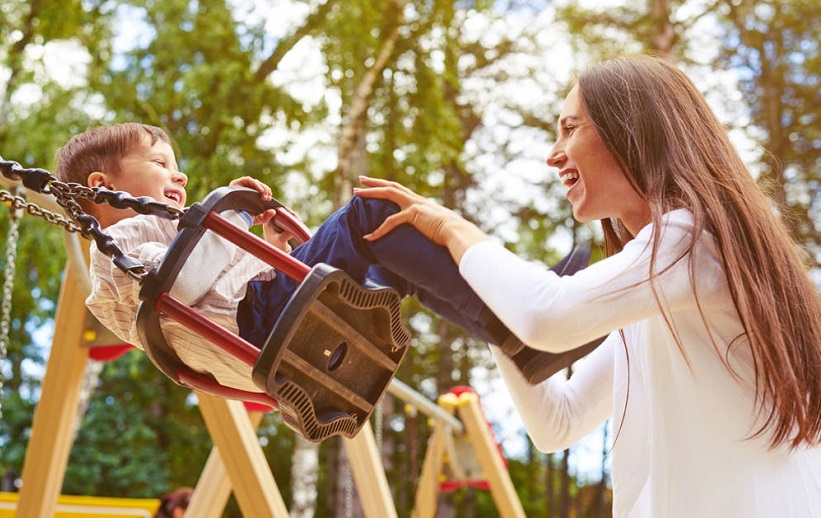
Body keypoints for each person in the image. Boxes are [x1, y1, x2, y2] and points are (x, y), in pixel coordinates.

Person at [354, 54, 821, 517]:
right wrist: (484, 305)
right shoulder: (660, 296)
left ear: (631, 131)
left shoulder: (692, 242)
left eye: (570, 128)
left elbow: (548, 316)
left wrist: (454, 230)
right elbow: (559, 421)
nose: (553, 154)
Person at [54, 122, 588, 394]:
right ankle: (522, 309)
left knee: (396, 255)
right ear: (103, 186)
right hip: (262, 323)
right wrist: (231, 218)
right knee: (372, 212)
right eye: (159, 163)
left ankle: (516, 332)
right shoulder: (120, 243)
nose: (180, 176)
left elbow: (222, 282)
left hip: (264, 319)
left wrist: (272, 244)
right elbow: (182, 284)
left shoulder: (167, 232)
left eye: (177, 165)